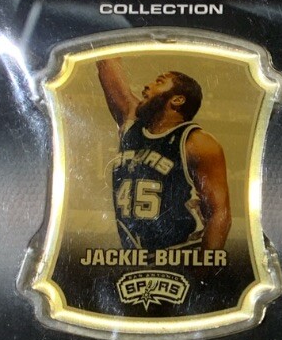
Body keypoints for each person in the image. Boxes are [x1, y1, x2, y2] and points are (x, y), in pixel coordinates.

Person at [97, 60, 231, 253]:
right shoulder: (132, 126)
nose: (147, 86)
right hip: (137, 257)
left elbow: (219, 214)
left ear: (177, 100)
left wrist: (205, 265)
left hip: (182, 255)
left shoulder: (197, 142)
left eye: (159, 82)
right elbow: (107, 63)